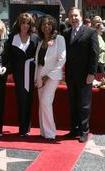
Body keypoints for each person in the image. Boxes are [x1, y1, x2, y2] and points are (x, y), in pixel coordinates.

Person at [63, 7, 99, 142]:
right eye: (71, 16)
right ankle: (74, 130)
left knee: (84, 105)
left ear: (81, 16)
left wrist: (92, 73)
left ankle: (84, 131)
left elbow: (94, 54)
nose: (73, 18)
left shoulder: (90, 32)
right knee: (72, 103)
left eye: (76, 16)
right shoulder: (66, 33)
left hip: (85, 75)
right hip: (71, 75)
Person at [2, 13, 38, 136]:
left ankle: (26, 128)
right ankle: (22, 128)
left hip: (31, 73)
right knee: (21, 99)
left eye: (28, 23)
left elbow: (39, 56)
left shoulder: (35, 38)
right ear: (19, 23)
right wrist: (7, 70)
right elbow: (7, 56)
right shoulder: (12, 37)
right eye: (23, 22)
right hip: (18, 73)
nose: (25, 25)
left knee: (29, 99)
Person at [35, 15, 66, 141]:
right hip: (40, 75)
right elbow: (38, 62)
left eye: (48, 24)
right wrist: (37, 78)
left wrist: (49, 75)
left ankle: (51, 133)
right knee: (41, 104)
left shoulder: (59, 39)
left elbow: (62, 58)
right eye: (43, 24)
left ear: (53, 26)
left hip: (52, 76)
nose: (46, 26)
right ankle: (44, 131)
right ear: (41, 27)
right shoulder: (40, 41)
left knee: (45, 102)